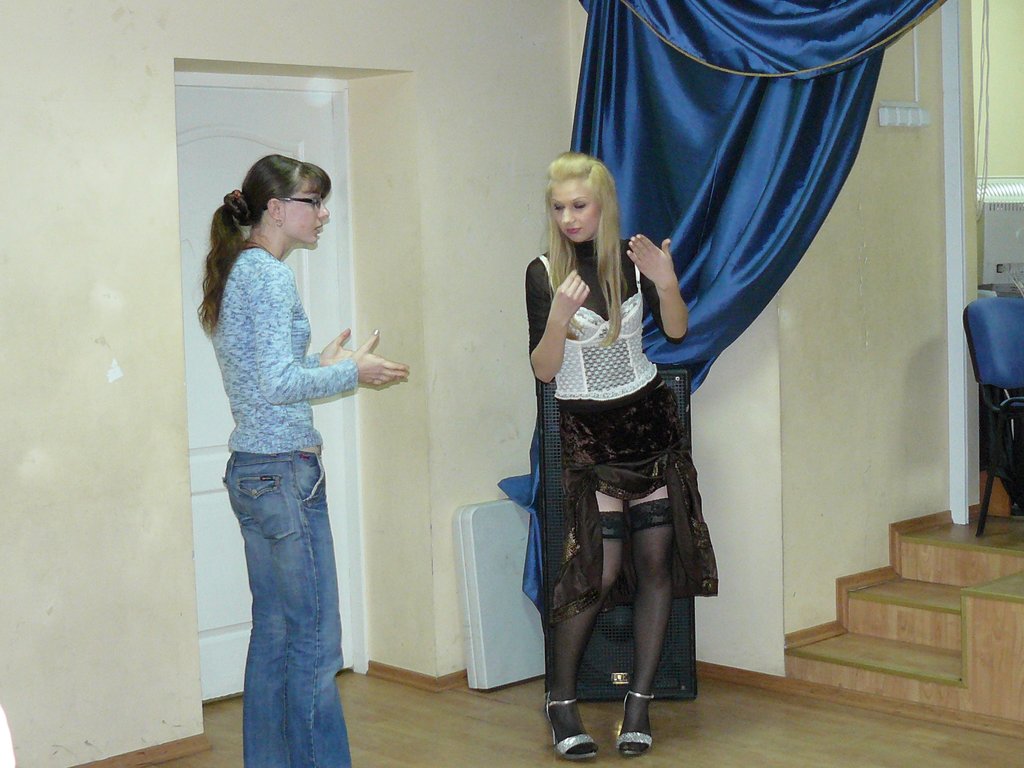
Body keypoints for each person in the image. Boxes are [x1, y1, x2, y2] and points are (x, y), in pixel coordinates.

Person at [199, 154, 409, 768]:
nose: (322, 214)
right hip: (284, 476)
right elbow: (276, 385)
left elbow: (270, 379)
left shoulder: (240, 269)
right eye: (312, 202)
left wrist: (323, 363)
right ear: (275, 208)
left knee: (275, 633)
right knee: (315, 640)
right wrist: (350, 372)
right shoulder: (267, 276)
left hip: (255, 471)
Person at [525, 152, 718, 760]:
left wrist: (667, 282)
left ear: (603, 204)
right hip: (590, 438)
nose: (569, 218)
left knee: (656, 567)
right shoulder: (543, 272)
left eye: (579, 205)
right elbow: (544, 370)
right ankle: (561, 701)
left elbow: (678, 331)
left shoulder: (634, 263)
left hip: (651, 428)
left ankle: (639, 704)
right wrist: (557, 318)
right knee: (598, 572)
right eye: (559, 207)